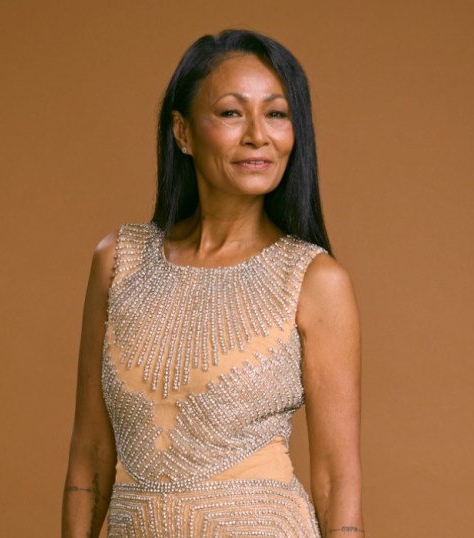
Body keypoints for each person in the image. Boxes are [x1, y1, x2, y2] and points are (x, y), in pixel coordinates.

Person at [62, 29, 363, 537]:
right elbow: (88, 459)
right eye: (230, 112)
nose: (257, 135)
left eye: (277, 113)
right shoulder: (119, 262)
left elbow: (336, 481)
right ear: (181, 132)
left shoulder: (315, 279)